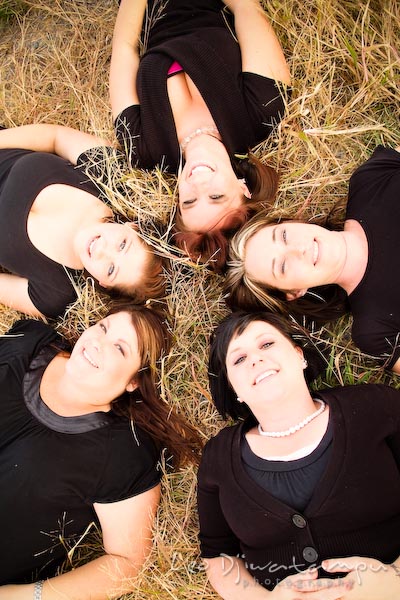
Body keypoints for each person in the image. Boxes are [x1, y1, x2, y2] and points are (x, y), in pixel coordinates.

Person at [0, 301, 201, 598]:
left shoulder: (122, 450)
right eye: (103, 327)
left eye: (120, 348)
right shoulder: (29, 342)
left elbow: (128, 563)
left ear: (134, 381)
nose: (98, 342)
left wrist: (25, 596)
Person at [197, 309, 400, 599]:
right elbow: (219, 556)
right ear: (234, 388)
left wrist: (395, 579)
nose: (255, 358)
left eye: (266, 344)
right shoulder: (217, 458)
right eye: (239, 359)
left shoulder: (375, 408)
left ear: (299, 354)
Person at [110, 0, 291, 271]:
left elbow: (124, 47)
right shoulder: (263, 111)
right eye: (216, 196)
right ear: (243, 187)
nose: (198, 184)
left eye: (190, 201)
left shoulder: (141, 147)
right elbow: (246, 8)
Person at [225, 145, 400, 371]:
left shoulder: (370, 181)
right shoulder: (375, 331)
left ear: (290, 222)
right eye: (283, 266)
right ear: (294, 292)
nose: (299, 249)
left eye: (284, 236)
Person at [0, 124, 166, 318]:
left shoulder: (55, 294)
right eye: (122, 245)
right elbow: (56, 137)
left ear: (103, 283)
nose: (103, 251)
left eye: (111, 269)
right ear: (132, 227)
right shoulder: (107, 174)